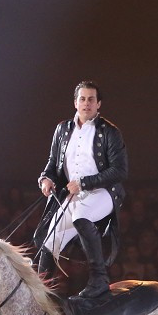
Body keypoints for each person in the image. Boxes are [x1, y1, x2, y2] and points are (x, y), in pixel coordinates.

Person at [35, 80, 128, 298]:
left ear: (98, 104)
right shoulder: (62, 129)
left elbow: (120, 171)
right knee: (50, 240)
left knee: (80, 215)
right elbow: (52, 162)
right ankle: (40, 290)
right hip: (73, 195)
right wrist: (46, 178)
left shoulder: (110, 132)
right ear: (75, 103)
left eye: (91, 99)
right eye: (83, 99)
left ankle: (99, 279)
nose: (87, 103)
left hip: (103, 192)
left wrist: (85, 183)